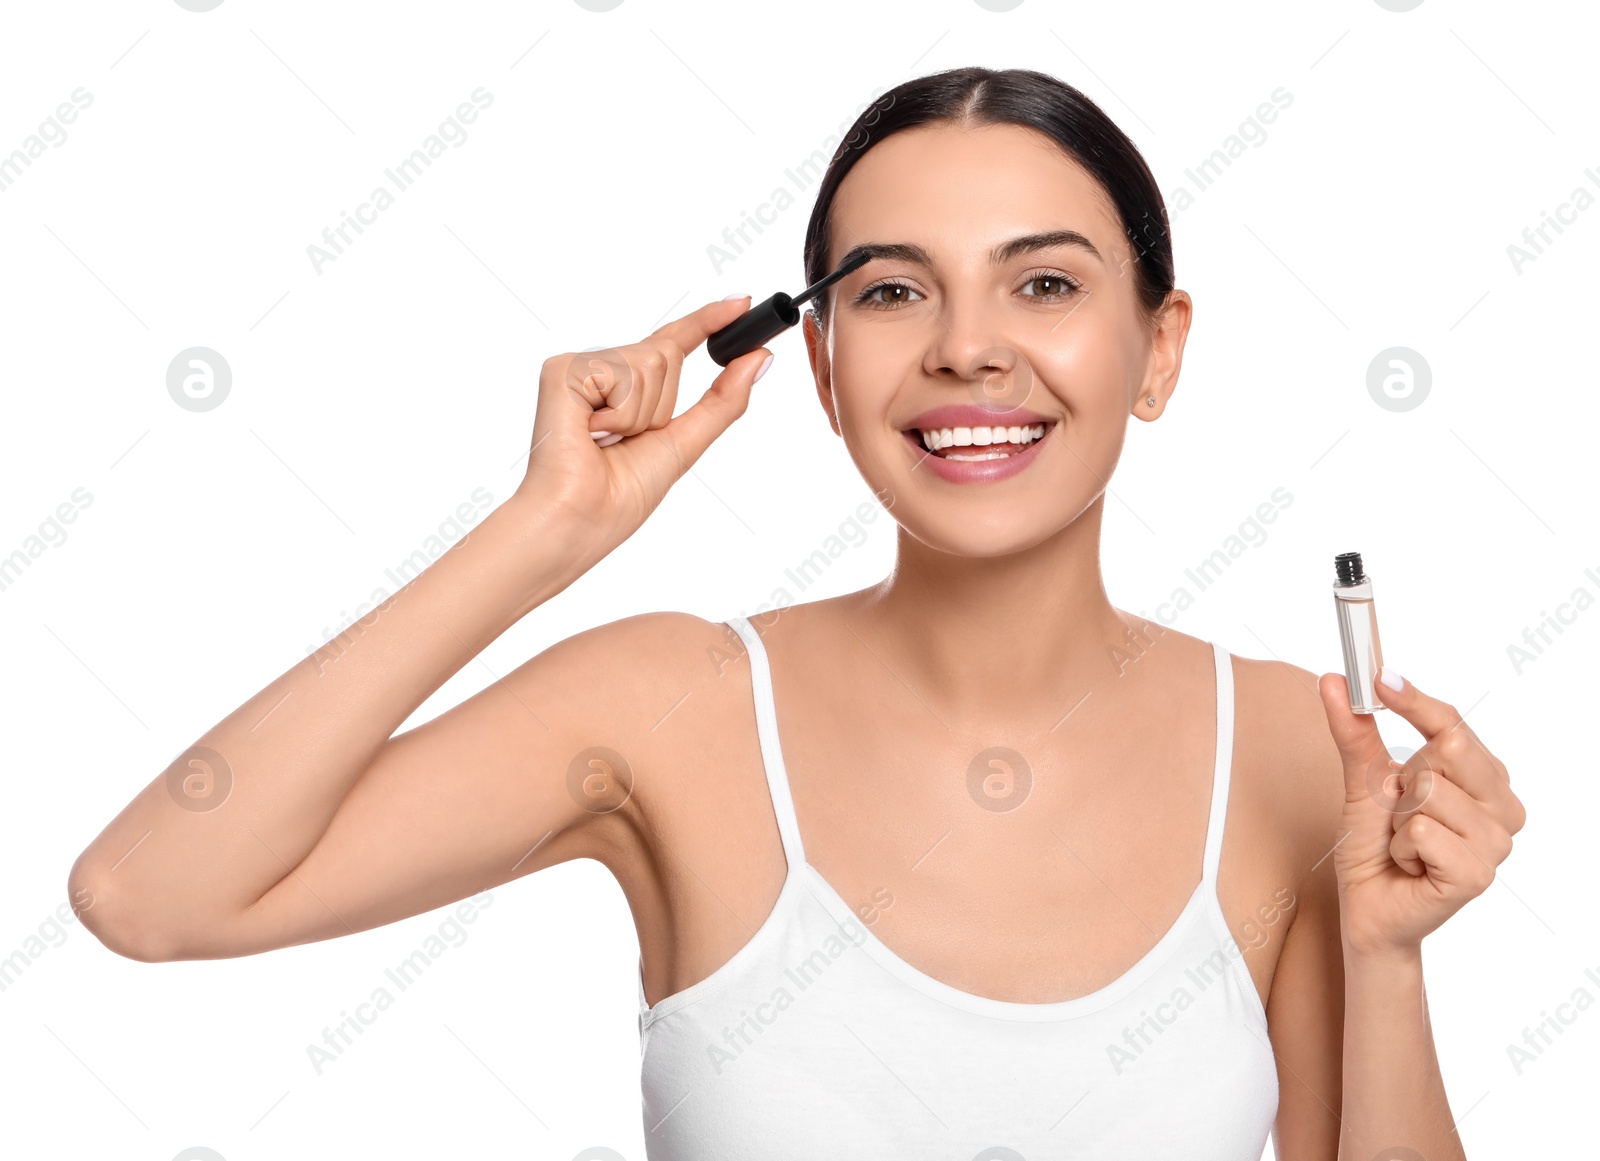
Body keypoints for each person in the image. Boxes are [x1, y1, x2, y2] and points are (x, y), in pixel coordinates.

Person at [68, 66, 1525, 1159]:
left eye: (1045, 282)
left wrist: (1386, 954)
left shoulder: (1288, 741)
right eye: (895, 290)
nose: (967, 347)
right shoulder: (665, 706)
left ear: (1159, 349)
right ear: (820, 369)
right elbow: (152, 894)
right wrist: (542, 533)